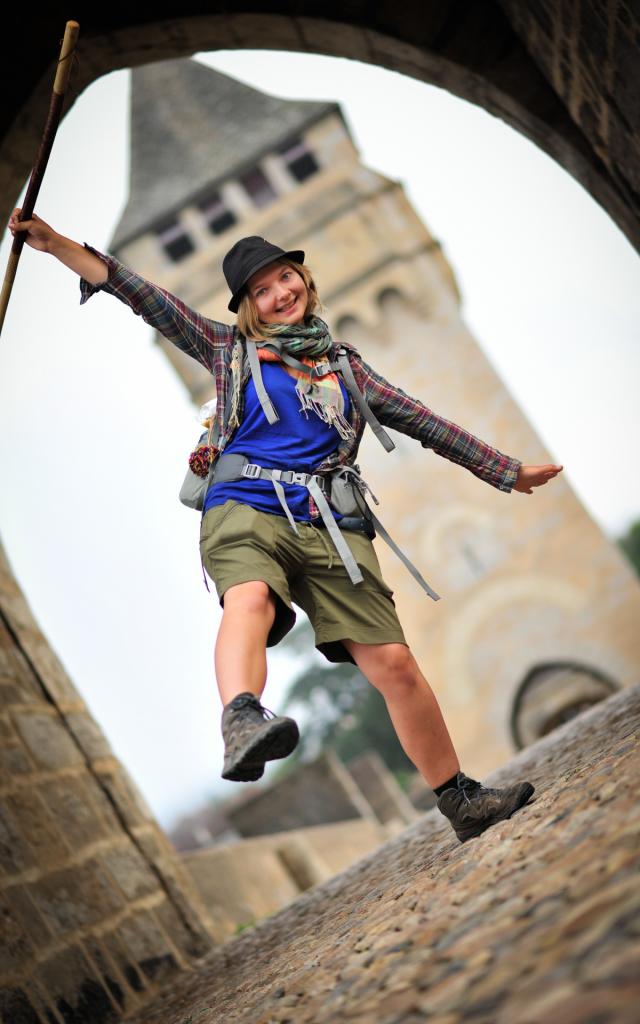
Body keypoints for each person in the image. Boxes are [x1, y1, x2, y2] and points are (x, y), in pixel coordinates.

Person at [8, 209, 564, 843]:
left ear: (303, 278)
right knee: (251, 598)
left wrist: (506, 470)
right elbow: (147, 298)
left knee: (395, 665)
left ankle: (461, 801)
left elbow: (423, 420)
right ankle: (242, 717)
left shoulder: (346, 369)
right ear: (249, 306)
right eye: (262, 290)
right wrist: (56, 247)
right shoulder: (229, 350)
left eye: (284, 278)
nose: (279, 294)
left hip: (331, 525)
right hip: (244, 505)